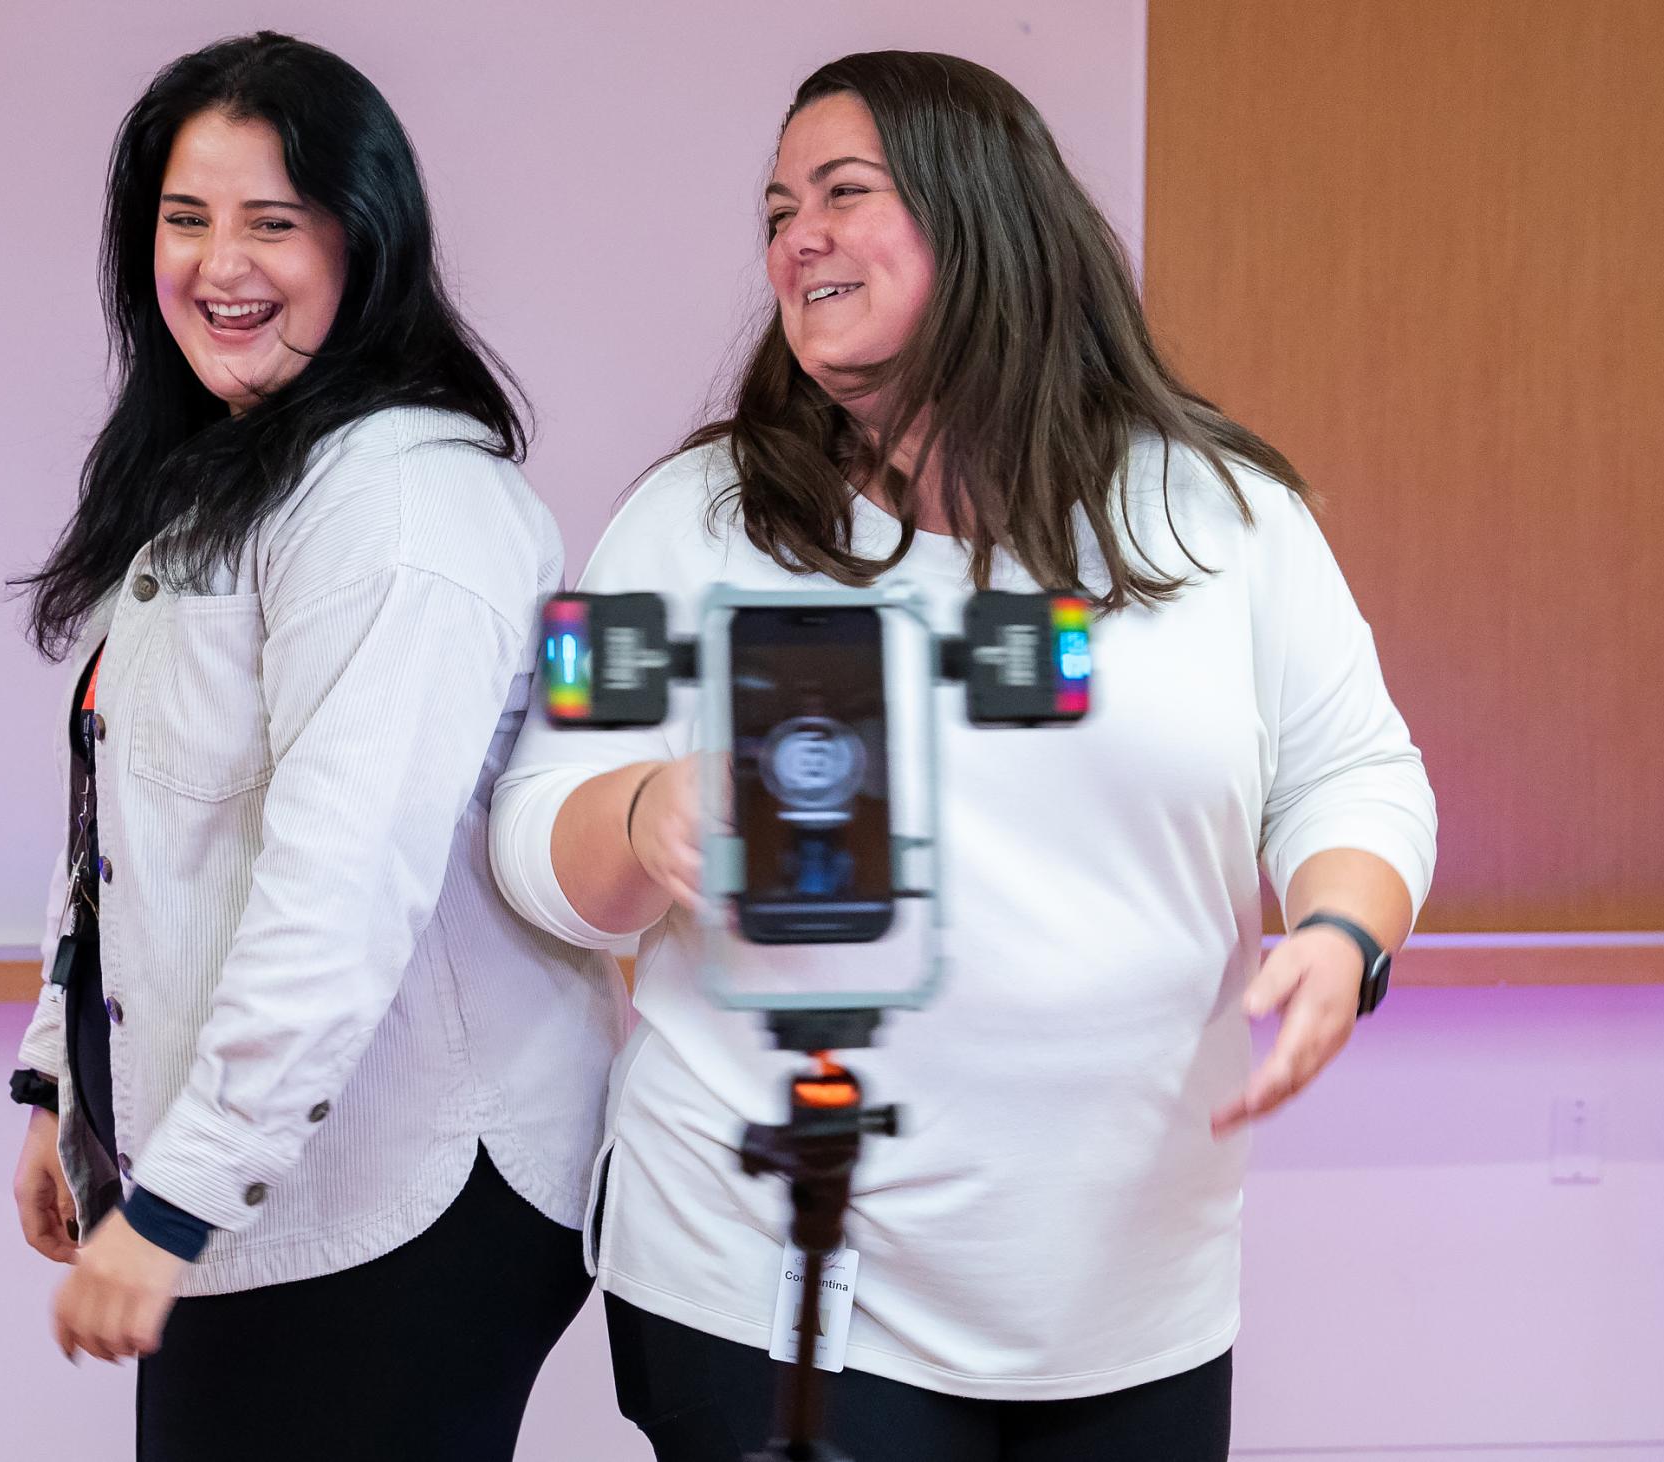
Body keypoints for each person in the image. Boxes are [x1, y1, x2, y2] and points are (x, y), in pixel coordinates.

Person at [490, 50, 1437, 1461]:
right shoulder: (687, 519)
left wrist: (1343, 931)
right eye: (775, 209)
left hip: (1133, 1294)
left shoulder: (1225, 513)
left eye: (842, 193)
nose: (792, 236)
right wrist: (638, 813)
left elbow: (1356, 771)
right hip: (773, 1287)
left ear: (982, 215)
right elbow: (535, 818)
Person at [4, 32, 616, 1460]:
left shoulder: (401, 508)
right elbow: (127, 818)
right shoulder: (223, 480)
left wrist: (172, 1198)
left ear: (365, 241)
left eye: (274, 221)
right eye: (186, 217)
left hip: (404, 1188)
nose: (223, 262)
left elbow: (339, 886)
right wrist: (64, 1090)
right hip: (261, 1179)